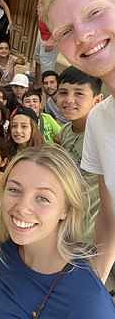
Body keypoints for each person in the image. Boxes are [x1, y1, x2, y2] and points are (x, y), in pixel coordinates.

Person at [38, 0, 115, 282]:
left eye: (94, 12)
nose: (83, 35)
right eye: (65, 32)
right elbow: (109, 218)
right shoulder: (99, 121)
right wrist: (91, 287)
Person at [0, 145, 115, 318]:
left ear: (65, 209)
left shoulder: (90, 303)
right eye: (15, 190)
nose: (22, 208)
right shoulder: (4, 249)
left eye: (42, 198)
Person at [57, 66, 103, 240]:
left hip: (89, 236)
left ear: (97, 100)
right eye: (63, 92)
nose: (69, 100)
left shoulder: (102, 139)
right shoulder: (67, 130)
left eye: (79, 93)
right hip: (65, 227)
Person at [34, 0, 57, 88]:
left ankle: (50, 104)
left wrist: (52, 38)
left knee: (48, 73)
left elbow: (61, 15)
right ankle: (37, 87)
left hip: (49, 37)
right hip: (42, 34)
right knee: (38, 59)